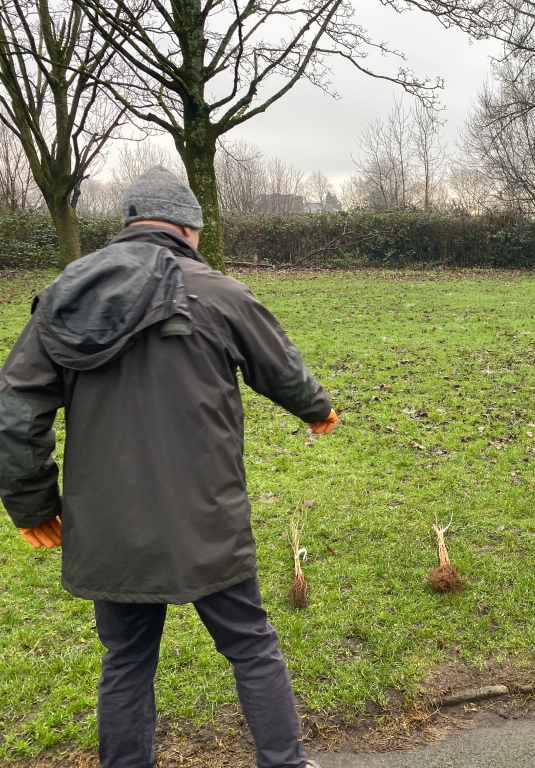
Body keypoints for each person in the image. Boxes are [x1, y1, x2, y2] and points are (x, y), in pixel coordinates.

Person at [0, 166, 336, 768]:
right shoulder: (220, 293)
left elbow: (16, 410)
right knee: (252, 647)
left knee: (126, 660)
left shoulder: (66, 295)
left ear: (129, 226)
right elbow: (281, 368)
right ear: (188, 229)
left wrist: (31, 504)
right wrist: (316, 410)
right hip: (204, 518)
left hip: (109, 526)